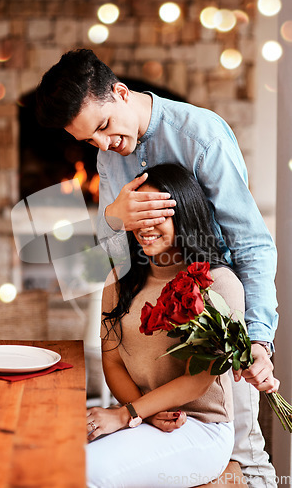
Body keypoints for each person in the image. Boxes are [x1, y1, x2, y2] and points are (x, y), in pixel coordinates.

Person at [35, 49, 278, 487]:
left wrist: (258, 338)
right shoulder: (109, 157)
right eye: (90, 141)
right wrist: (112, 216)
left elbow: (252, 244)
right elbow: (115, 255)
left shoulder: (201, 136)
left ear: (121, 92)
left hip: (216, 315)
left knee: (247, 452)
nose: (104, 146)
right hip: (150, 333)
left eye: (105, 127)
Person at [85, 163, 278, 488]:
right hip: (143, 416)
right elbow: (113, 360)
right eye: (139, 216)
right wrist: (141, 411)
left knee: (85, 472)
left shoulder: (217, 283)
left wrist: (126, 414)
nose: (145, 226)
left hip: (201, 428)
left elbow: (198, 380)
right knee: (52, 456)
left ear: (184, 213)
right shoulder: (118, 280)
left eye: (158, 214)